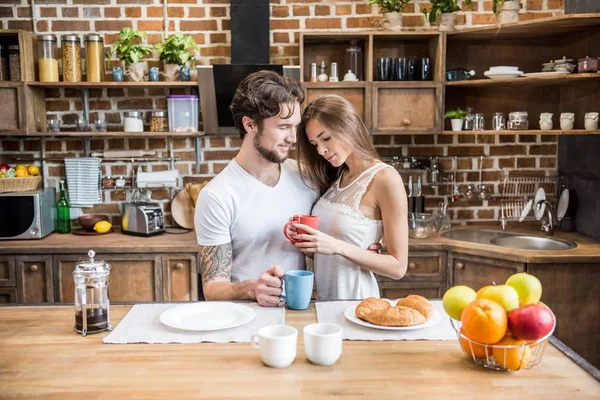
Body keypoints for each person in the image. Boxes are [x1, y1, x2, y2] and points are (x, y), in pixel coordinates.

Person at [194, 70, 318, 307]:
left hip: (297, 313)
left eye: (295, 127)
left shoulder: (306, 178)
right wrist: (251, 288)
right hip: (244, 317)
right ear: (250, 124)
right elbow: (212, 288)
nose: (293, 138)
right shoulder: (217, 195)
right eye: (283, 127)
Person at [288, 94, 408, 301]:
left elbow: (398, 267)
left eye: (326, 138)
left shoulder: (385, 178)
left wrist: (338, 246)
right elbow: (332, 254)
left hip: (357, 301)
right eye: (315, 144)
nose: (321, 150)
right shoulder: (337, 176)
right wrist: (308, 244)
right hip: (325, 302)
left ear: (348, 125)